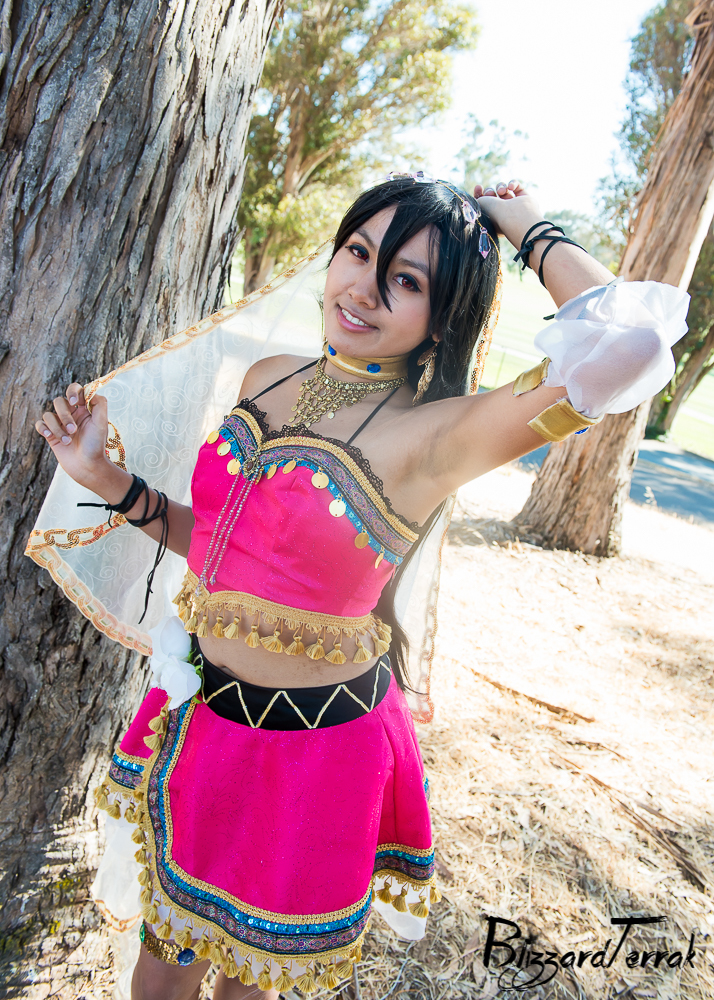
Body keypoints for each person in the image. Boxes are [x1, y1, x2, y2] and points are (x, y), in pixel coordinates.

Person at [32, 176, 687, 999]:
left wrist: (523, 226)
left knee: (247, 985)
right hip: (205, 722)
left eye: (405, 279)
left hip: (314, 757)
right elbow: (226, 549)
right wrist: (107, 478)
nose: (364, 289)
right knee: (156, 979)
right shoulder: (268, 376)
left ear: (442, 317)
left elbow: (630, 347)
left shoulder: (435, 437)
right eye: (357, 252)